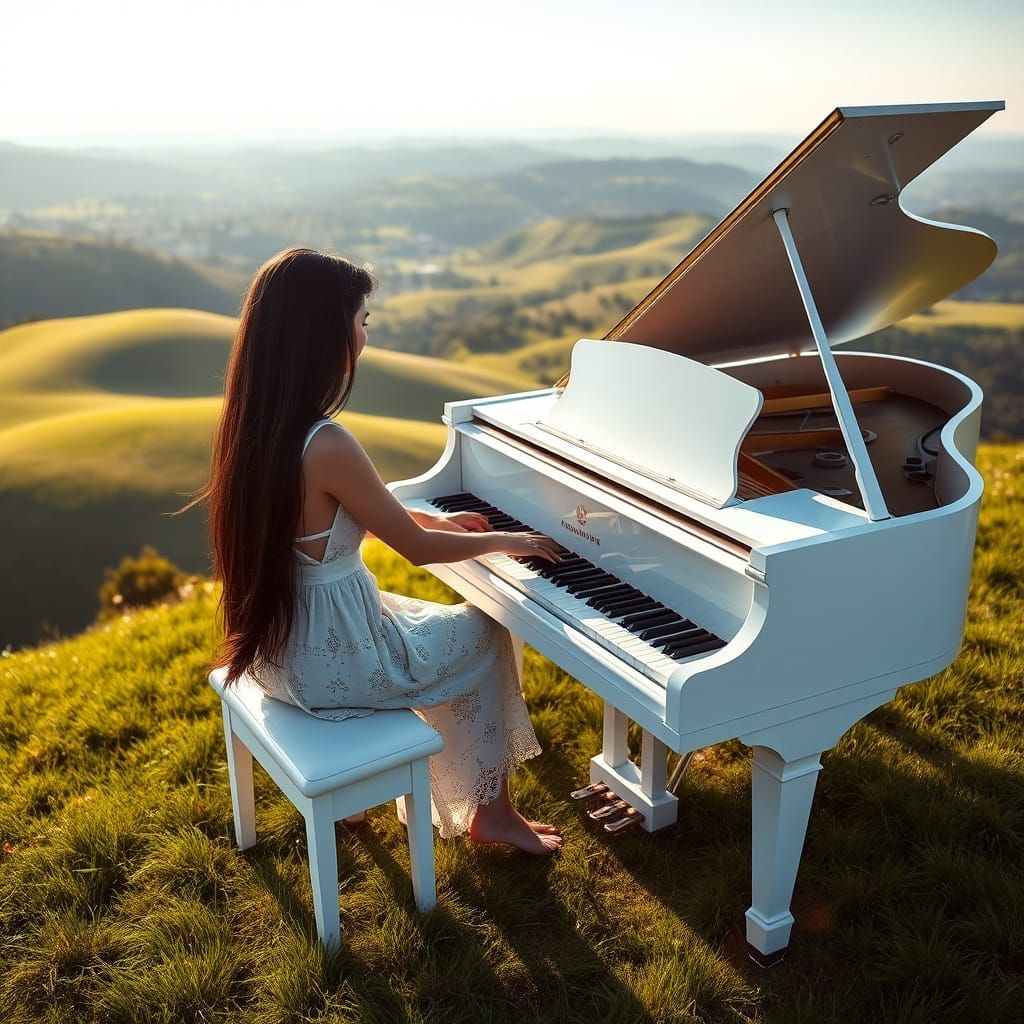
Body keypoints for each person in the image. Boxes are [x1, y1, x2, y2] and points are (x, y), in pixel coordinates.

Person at [196, 247, 564, 855]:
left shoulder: (255, 428)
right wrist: (511, 539)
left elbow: (336, 517)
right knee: (488, 634)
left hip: (281, 651)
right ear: (326, 334)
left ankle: (359, 802)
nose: (365, 335)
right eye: (362, 320)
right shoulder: (327, 441)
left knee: (432, 623)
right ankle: (491, 814)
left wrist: (413, 512)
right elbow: (417, 550)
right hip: (332, 658)